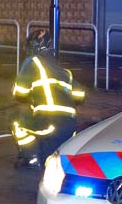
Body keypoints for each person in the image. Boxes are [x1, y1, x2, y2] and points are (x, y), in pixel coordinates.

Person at [11, 29, 85, 169]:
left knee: (15, 120)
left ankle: (32, 158)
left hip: (49, 122)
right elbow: (80, 95)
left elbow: (19, 93)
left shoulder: (33, 62)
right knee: (48, 155)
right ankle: (44, 155)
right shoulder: (63, 71)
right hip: (69, 127)